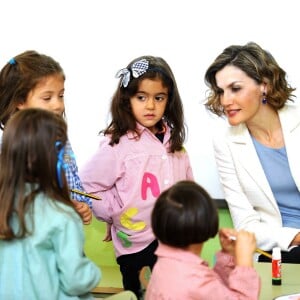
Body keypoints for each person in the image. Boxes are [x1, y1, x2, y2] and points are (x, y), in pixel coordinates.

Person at [80, 55, 194, 299]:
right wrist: (115, 211)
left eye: (158, 98)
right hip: (136, 246)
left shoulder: (174, 144)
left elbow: (188, 189)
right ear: (127, 99)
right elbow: (87, 186)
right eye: (141, 97)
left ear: (168, 100)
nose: (150, 106)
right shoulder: (117, 144)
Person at [204, 41, 300, 263]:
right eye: (221, 91)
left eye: (235, 88)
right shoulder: (225, 142)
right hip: (279, 248)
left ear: (264, 85)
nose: (225, 100)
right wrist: (295, 237)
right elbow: (245, 225)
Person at [0, 108, 100, 299]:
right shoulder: (62, 216)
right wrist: (94, 273)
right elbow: (76, 280)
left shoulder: (4, 205)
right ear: (56, 161)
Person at [0, 50, 92, 224]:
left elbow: (74, 183)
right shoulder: (9, 146)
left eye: (61, 95)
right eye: (47, 97)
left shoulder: (62, 141)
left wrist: (81, 205)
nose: (58, 105)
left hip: (62, 233)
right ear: (20, 101)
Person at [145, 180, 260, 299]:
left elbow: (217, 291)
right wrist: (244, 260)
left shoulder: (166, 264)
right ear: (207, 222)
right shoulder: (194, 278)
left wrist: (228, 253)